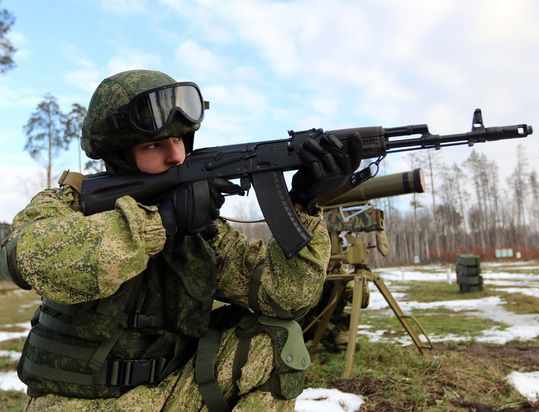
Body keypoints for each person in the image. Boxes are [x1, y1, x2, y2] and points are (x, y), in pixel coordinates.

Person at [0, 69, 361, 411]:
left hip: (171, 394)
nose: (176, 155)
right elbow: (24, 258)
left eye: (178, 139)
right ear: (119, 155)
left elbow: (286, 296)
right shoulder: (68, 205)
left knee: (276, 337)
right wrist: (161, 222)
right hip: (74, 403)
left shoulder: (200, 230)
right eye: (155, 145)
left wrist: (303, 205)